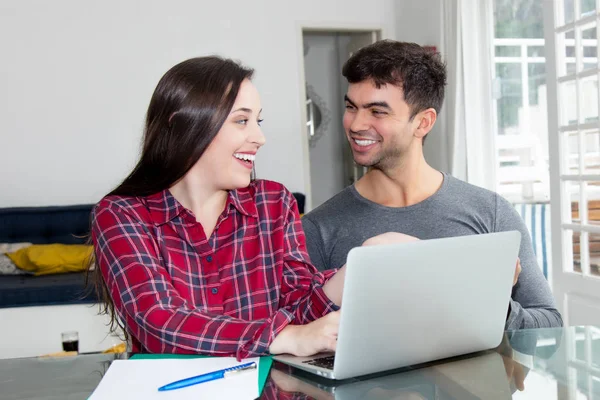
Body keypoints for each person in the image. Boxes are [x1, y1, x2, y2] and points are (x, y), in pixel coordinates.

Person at [90, 56, 343, 360]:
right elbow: (157, 321)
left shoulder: (275, 203)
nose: (260, 138)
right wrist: (282, 336)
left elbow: (300, 312)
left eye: (257, 121)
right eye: (241, 120)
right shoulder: (121, 214)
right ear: (183, 125)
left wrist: (350, 276)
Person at [301, 40, 562, 330]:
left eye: (377, 111)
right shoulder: (318, 228)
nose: (356, 123)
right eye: (351, 107)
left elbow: (549, 328)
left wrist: (488, 302)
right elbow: (295, 333)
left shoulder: (490, 212)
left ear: (423, 122)